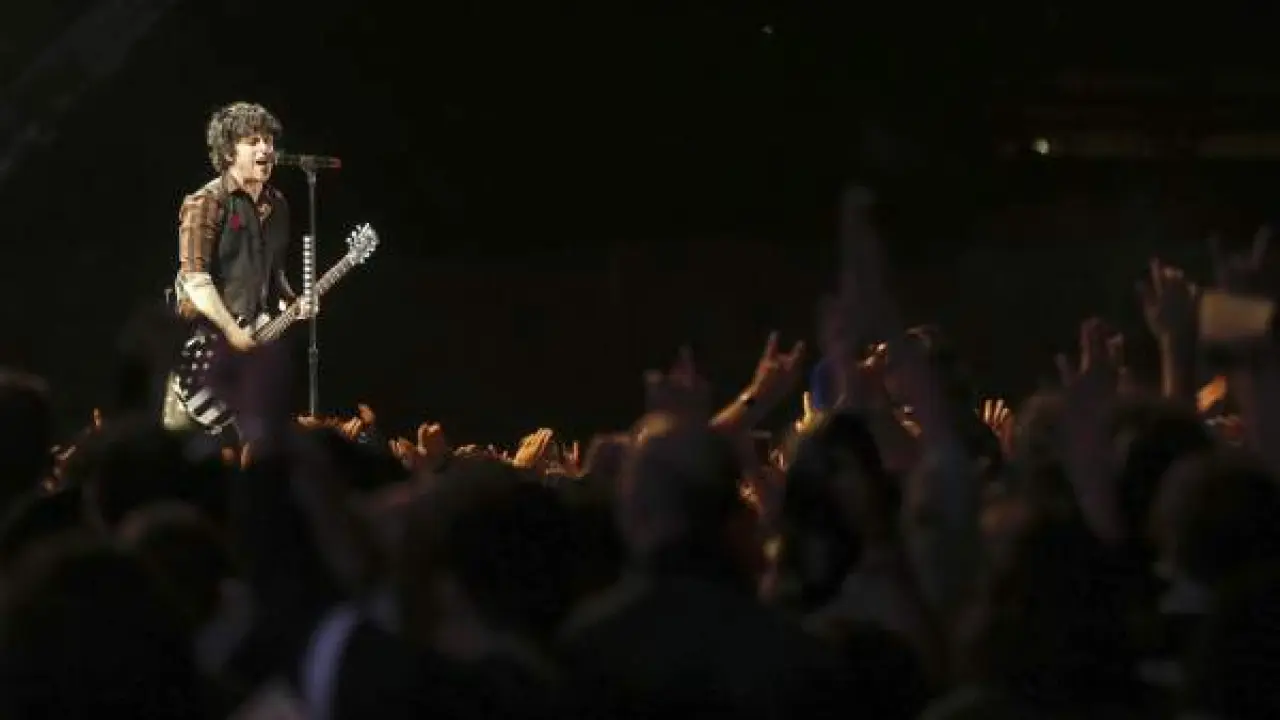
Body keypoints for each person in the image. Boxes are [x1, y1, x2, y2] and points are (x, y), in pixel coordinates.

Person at [161, 101, 316, 433]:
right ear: (229, 151)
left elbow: (274, 273)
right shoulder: (207, 201)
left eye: (269, 140)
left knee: (256, 453)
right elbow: (195, 280)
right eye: (253, 141)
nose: (266, 149)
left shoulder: (278, 206)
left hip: (248, 359)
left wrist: (293, 301)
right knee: (181, 449)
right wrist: (232, 332)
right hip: (199, 358)